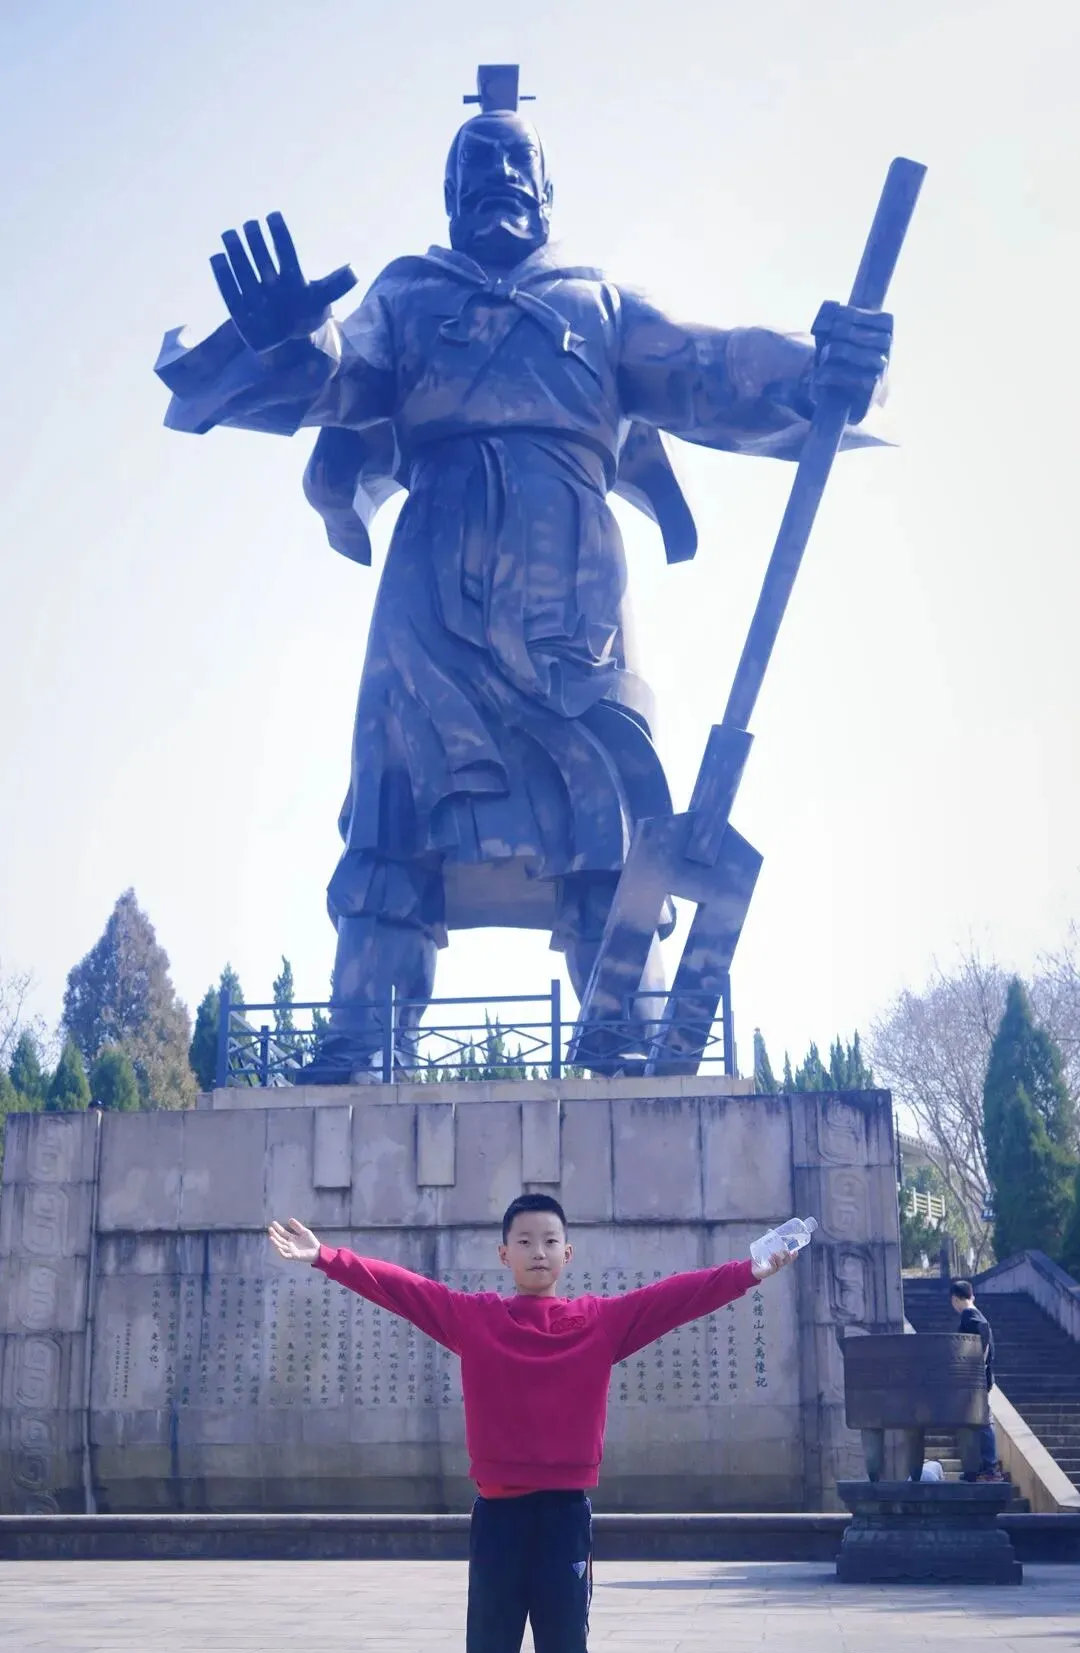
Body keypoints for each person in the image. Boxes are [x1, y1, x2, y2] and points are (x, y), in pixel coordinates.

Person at [158, 104, 892, 1081]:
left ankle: (627, 1029)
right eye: (477, 164)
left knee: (607, 805)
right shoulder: (409, 296)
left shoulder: (597, 303)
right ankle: (363, 1036)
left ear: (546, 189)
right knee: (393, 800)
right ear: (449, 193)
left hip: (574, 602)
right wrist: (291, 342)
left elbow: (711, 365)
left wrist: (824, 363)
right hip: (430, 594)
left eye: (516, 162)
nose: (498, 176)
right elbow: (336, 375)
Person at [268, 1194, 796, 1653]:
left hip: (564, 1517)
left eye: (549, 1241)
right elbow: (402, 1290)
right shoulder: (475, 1319)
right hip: (499, 1516)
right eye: (524, 1241)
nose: (537, 1252)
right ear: (504, 1254)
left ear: (567, 1254)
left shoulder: (599, 1322)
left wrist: (750, 1270)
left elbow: (678, 1297)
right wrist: (325, 1257)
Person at [949, 1280, 1005, 1482]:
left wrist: (975, 1367)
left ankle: (989, 1468)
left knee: (982, 1421)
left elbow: (982, 1333)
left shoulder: (969, 1315)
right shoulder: (976, 1314)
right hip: (980, 1378)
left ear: (955, 1299)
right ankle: (979, 1468)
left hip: (976, 1379)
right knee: (978, 1421)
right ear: (971, 1296)